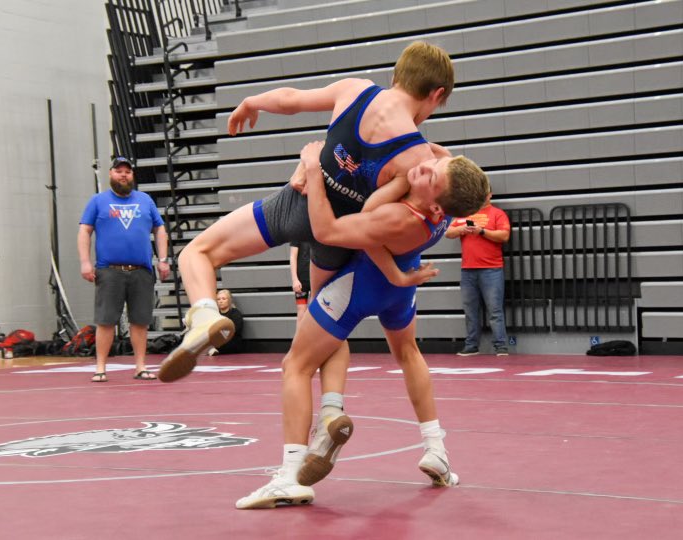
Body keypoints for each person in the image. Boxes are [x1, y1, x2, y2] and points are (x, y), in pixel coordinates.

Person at [158, 41, 458, 383]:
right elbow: (398, 221)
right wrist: (394, 273)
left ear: (396, 75)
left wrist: (252, 101)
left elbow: (291, 100)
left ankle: (206, 315)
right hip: (338, 234)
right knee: (325, 323)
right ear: (436, 94)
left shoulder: (355, 90)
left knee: (198, 252)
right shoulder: (418, 158)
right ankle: (332, 407)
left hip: (295, 205)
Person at [235, 141, 488, 509]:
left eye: (429, 174)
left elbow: (333, 228)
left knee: (297, 364)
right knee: (408, 352)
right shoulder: (446, 203)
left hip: (364, 286)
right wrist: (422, 155)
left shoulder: (396, 215)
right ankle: (436, 448)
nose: (423, 166)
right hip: (402, 285)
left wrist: (311, 166)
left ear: (435, 204)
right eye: (431, 165)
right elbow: (433, 150)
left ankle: (290, 476)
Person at [77, 157, 171, 382]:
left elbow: (160, 229)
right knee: (106, 320)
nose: (123, 175)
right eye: (119, 171)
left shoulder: (145, 200)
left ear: (132, 176)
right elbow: (84, 231)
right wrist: (85, 262)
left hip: (141, 270)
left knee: (140, 320)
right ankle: (100, 367)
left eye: (127, 172)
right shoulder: (98, 201)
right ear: (110, 174)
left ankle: (140, 366)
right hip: (109, 270)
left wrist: (163, 259)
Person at [445, 188, 510, 356]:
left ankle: (501, 346)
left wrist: (481, 231)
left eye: (485, 192)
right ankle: (472, 345)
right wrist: (462, 230)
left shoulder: (497, 214)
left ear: (490, 195)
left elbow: (504, 236)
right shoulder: (464, 214)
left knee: (495, 310)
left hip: (492, 269)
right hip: (468, 270)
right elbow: (448, 232)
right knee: (470, 310)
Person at [209, 289, 244, 354]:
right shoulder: (215, 314)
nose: (221, 301)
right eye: (218, 299)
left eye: (223, 299)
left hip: (232, 345)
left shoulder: (236, 314)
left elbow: (235, 330)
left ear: (229, 301)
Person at [289, 241, 311, 330]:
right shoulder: (297, 232)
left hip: (318, 279)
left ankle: (318, 342)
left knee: (318, 312)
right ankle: (301, 342)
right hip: (302, 281)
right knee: (301, 310)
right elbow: (293, 256)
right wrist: (295, 280)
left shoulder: (319, 231)